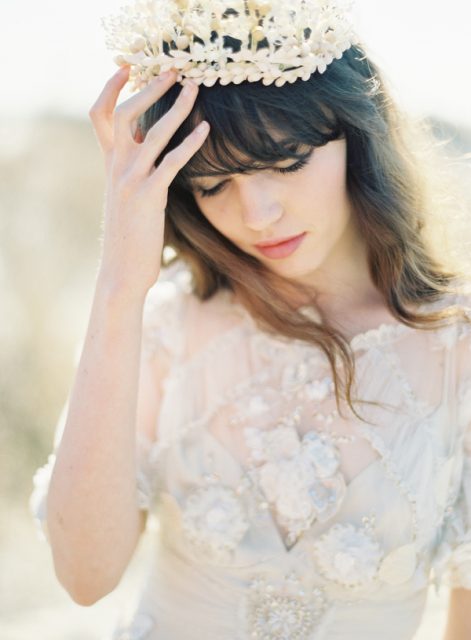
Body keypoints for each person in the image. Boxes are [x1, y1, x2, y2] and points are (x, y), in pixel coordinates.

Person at [29, 1, 471, 638]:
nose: (257, 214)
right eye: (212, 186)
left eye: (286, 162)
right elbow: (84, 576)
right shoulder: (165, 323)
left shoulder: (456, 347)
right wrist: (120, 289)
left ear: (357, 135)